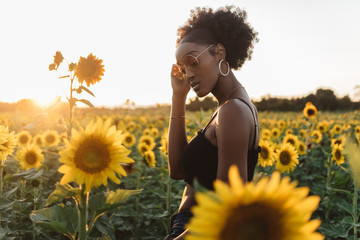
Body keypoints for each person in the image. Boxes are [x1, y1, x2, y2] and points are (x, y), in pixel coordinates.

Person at [165, 5, 261, 240]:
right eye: (182, 68)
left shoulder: (233, 111)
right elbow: (178, 171)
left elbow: (225, 206)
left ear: (219, 53)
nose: (188, 74)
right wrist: (178, 96)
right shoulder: (230, 107)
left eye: (192, 61)